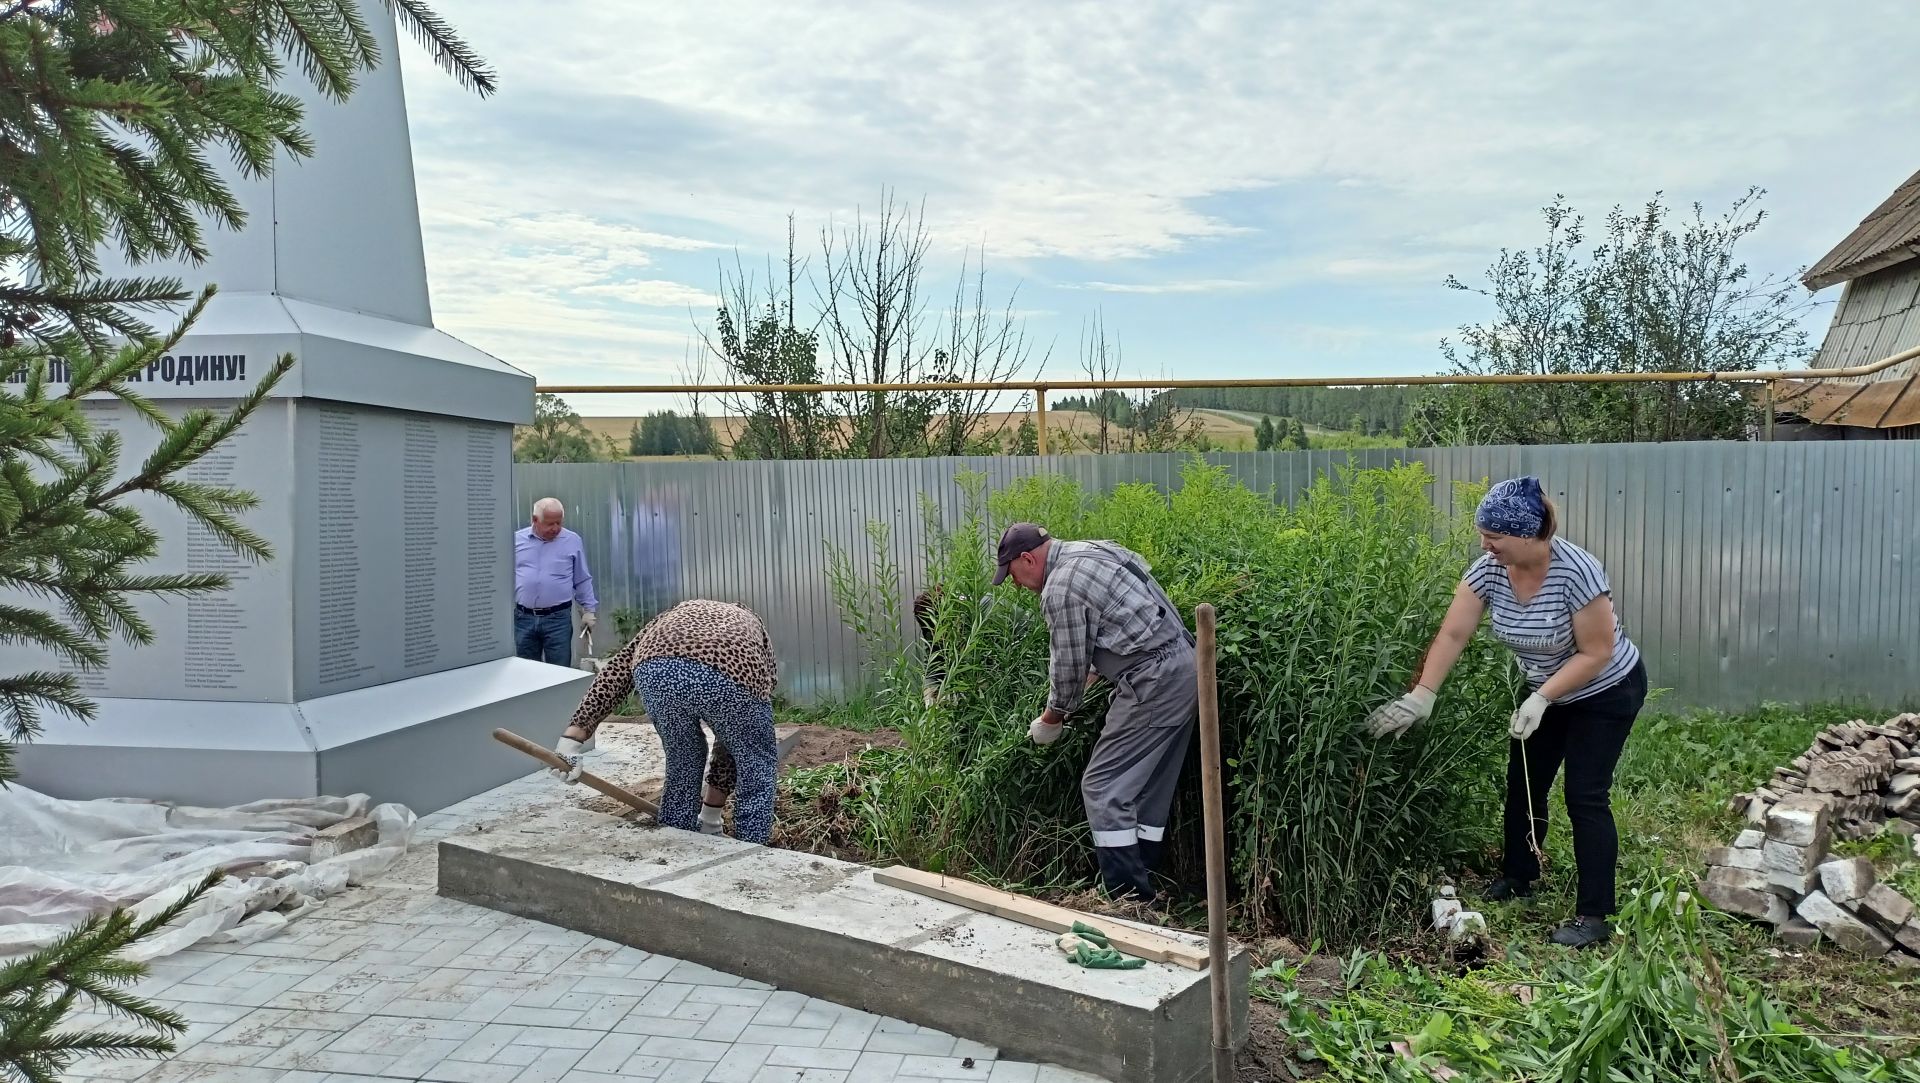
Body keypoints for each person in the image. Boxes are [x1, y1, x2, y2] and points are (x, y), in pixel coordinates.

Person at [1365, 476, 1647, 949]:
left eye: (1494, 536)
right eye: (1483, 534)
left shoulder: (1578, 572)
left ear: (1528, 533)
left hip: (1605, 691)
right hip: (1545, 691)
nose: (1485, 544)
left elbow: (1596, 652)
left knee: (1585, 796)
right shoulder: (1490, 570)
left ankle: (1594, 914)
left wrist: (1542, 697)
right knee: (1525, 784)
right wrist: (1422, 695)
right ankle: (1520, 874)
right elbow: (1453, 634)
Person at [994, 522, 1198, 902]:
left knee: (1102, 786)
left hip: (1152, 679)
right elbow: (1126, 617)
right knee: (1148, 788)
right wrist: (1097, 673)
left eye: (1013, 575)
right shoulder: (1095, 549)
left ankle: (1128, 898)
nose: (1016, 585)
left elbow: (1066, 666)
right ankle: (1149, 877)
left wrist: (1051, 720)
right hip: (1186, 666)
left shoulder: (1060, 586)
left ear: (1027, 559)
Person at [550, 600, 780, 844]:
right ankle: (750, 851)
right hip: (731, 672)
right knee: (755, 762)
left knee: (684, 757)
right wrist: (713, 809)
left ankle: (675, 841)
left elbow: (616, 673)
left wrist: (572, 739)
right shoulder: (753, 626)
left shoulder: (672, 615)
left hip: (656, 669)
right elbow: (734, 744)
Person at [514, 498, 598, 667]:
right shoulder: (516, 540)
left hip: (557, 620)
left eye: (559, 523)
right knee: (526, 672)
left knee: (559, 672)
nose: (555, 528)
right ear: (535, 520)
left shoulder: (572, 540)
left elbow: (582, 579)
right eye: (550, 523)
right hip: (524, 618)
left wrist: (588, 611)